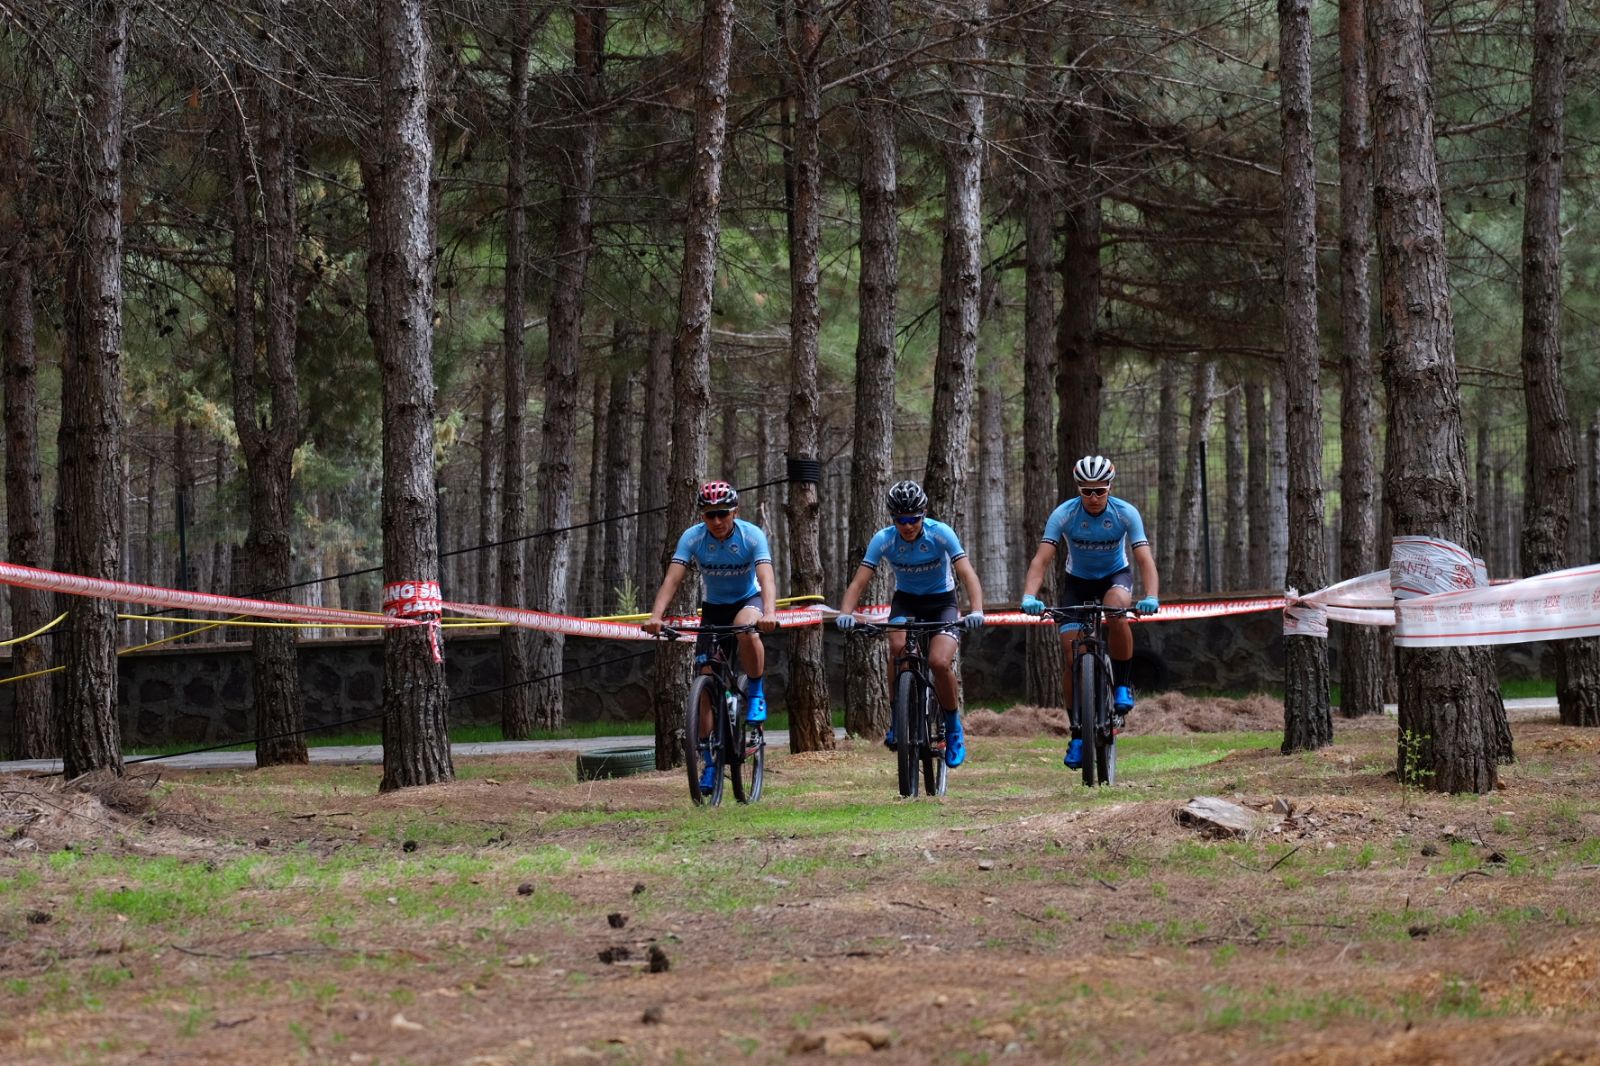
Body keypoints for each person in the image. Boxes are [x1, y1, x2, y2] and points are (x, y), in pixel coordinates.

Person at [1018, 455, 1160, 770]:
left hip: (1115, 578)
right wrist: (1029, 595)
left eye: (1100, 490)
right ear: (1078, 489)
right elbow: (1041, 560)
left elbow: (1144, 559)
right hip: (1077, 584)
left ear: (1110, 487)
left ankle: (1122, 684)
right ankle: (1078, 733)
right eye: (1087, 491)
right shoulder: (1064, 514)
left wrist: (1151, 595)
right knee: (1071, 654)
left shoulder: (1125, 513)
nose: (1094, 498)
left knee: (1115, 611)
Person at [833, 479, 985, 768]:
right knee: (897, 646)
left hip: (942, 603)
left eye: (913, 519)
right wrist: (845, 612)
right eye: (901, 519)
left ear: (923, 514)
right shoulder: (884, 539)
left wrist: (977, 610)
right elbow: (859, 581)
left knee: (939, 662)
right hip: (907, 601)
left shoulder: (941, 534)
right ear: (893, 518)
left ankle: (953, 729)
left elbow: (967, 574)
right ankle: (898, 719)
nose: (907, 526)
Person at [644, 481, 780, 794]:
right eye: (709, 515)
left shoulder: (751, 535)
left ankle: (756, 691)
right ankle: (708, 761)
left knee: (747, 628)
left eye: (722, 514)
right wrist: (655, 617)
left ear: (735, 512)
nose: (716, 521)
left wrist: (769, 612)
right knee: (705, 682)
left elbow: (766, 576)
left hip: (748, 601)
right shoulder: (692, 537)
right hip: (714, 610)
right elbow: (672, 578)